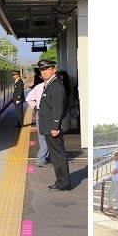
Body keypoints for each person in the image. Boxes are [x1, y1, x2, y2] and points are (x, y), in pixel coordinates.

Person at [36, 59, 70, 190]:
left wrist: (56, 127)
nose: (44, 72)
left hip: (52, 128)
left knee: (58, 156)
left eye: (46, 69)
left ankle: (63, 183)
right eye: (42, 70)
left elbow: (58, 108)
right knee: (56, 157)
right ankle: (60, 181)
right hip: (48, 127)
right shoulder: (50, 83)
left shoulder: (56, 85)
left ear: (53, 69)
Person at [25, 80, 49, 167]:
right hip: (46, 113)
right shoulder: (53, 86)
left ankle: (43, 157)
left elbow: (28, 98)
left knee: (42, 136)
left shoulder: (38, 86)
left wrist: (35, 106)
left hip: (40, 112)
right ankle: (41, 158)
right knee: (47, 136)